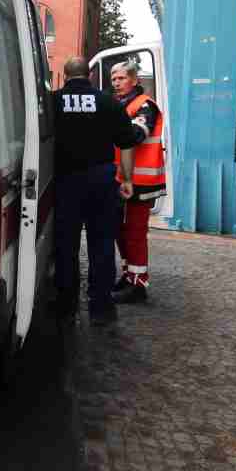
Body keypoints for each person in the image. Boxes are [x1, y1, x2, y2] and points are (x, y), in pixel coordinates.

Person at [53, 56, 146, 326]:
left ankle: (66, 305)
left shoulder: (53, 101)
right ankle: (101, 307)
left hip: (65, 181)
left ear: (65, 74)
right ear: (90, 75)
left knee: (65, 246)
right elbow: (127, 143)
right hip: (102, 181)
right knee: (102, 244)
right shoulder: (108, 102)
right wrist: (127, 180)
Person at [109, 60, 166, 304]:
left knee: (135, 231)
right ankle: (129, 273)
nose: (116, 83)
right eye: (113, 79)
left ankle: (138, 284)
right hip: (122, 178)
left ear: (134, 80)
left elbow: (135, 136)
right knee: (119, 229)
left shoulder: (145, 106)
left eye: (121, 78)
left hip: (142, 181)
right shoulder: (121, 104)